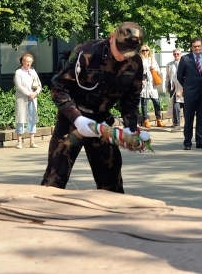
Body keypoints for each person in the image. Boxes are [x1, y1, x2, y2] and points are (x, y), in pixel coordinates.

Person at [41, 22, 144, 193]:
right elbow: (58, 87)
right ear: (112, 37)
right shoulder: (87, 52)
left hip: (102, 123)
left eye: (129, 51)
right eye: (121, 49)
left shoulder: (134, 63)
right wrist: (77, 118)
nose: (123, 55)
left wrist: (130, 128)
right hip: (73, 121)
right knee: (54, 178)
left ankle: (114, 217)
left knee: (112, 182)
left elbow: (131, 99)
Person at [177, 38, 202, 150]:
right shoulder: (185, 59)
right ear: (191, 47)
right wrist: (188, 86)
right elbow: (179, 76)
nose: (197, 48)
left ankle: (200, 141)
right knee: (189, 118)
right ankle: (187, 142)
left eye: (199, 46)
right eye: (194, 46)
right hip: (190, 93)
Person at [13, 53, 41, 149]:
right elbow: (19, 86)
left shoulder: (33, 72)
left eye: (30, 61)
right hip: (22, 99)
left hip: (33, 99)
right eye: (27, 61)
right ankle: (19, 141)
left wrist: (35, 93)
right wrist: (28, 94)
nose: (28, 63)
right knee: (20, 119)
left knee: (32, 119)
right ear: (22, 61)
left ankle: (32, 141)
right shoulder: (18, 72)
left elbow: (39, 85)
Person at [139, 46, 164, 128]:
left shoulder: (152, 59)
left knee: (156, 102)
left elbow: (158, 70)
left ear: (149, 51)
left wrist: (154, 69)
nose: (145, 52)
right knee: (144, 103)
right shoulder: (140, 60)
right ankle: (146, 120)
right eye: (143, 50)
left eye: (146, 50)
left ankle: (158, 119)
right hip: (144, 84)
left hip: (152, 84)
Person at [165, 49, 183, 132]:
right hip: (174, 88)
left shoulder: (184, 64)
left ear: (180, 54)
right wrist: (167, 86)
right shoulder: (169, 65)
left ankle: (188, 124)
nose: (176, 55)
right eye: (175, 54)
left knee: (186, 107)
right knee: (176, 107)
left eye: (178, 54)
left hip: (183, 87)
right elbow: (167, 77)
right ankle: (176, 124)